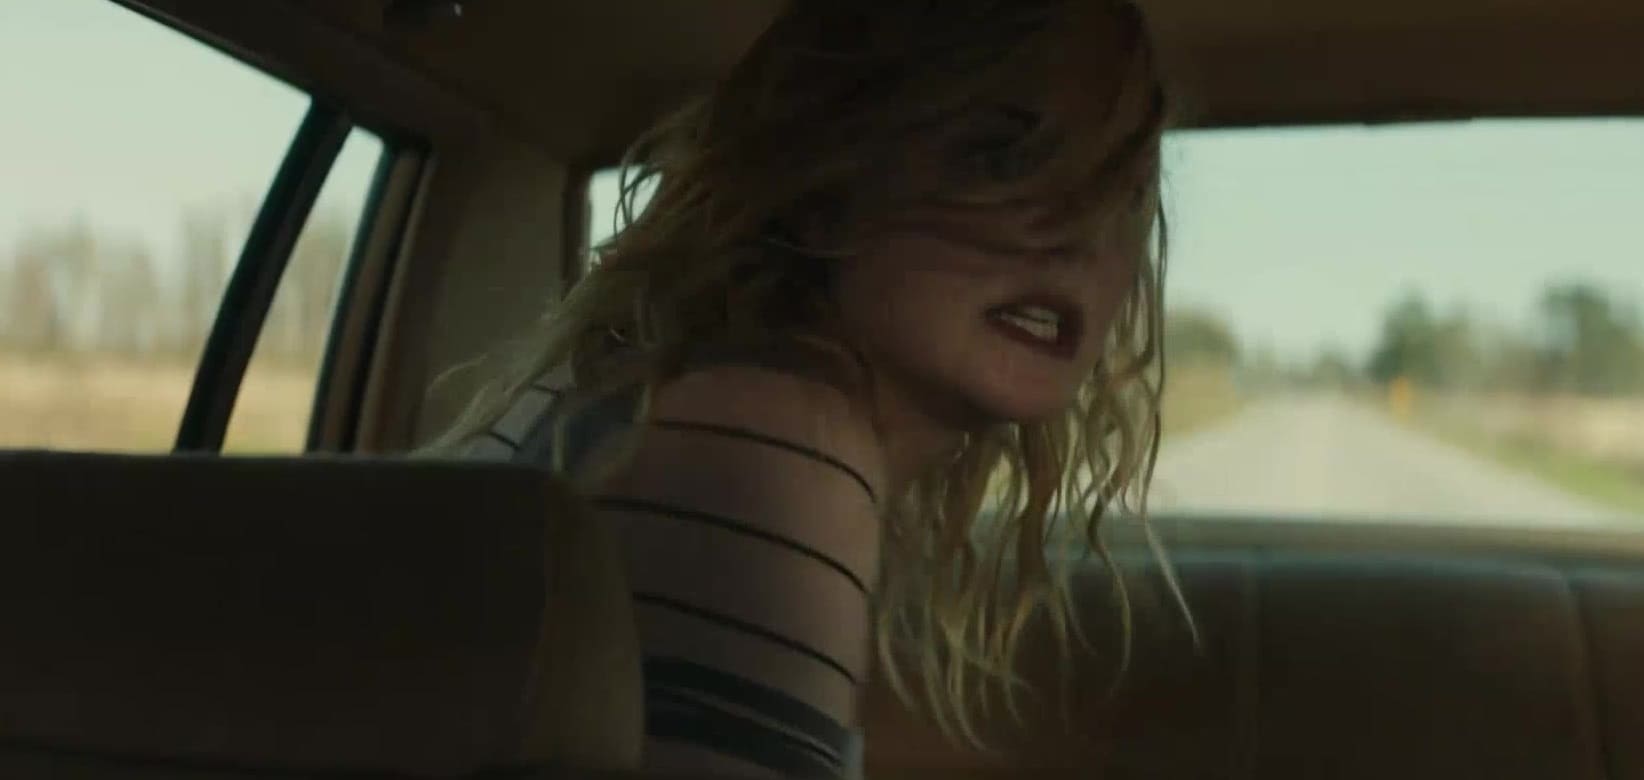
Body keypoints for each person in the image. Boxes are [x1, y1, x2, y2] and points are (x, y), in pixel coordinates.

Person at [437, 0, 1170, 775]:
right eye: (1004, 157)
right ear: (825, 188)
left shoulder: (666, 391)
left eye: (1122, 190)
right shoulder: (771, 445)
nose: (1082, 232)